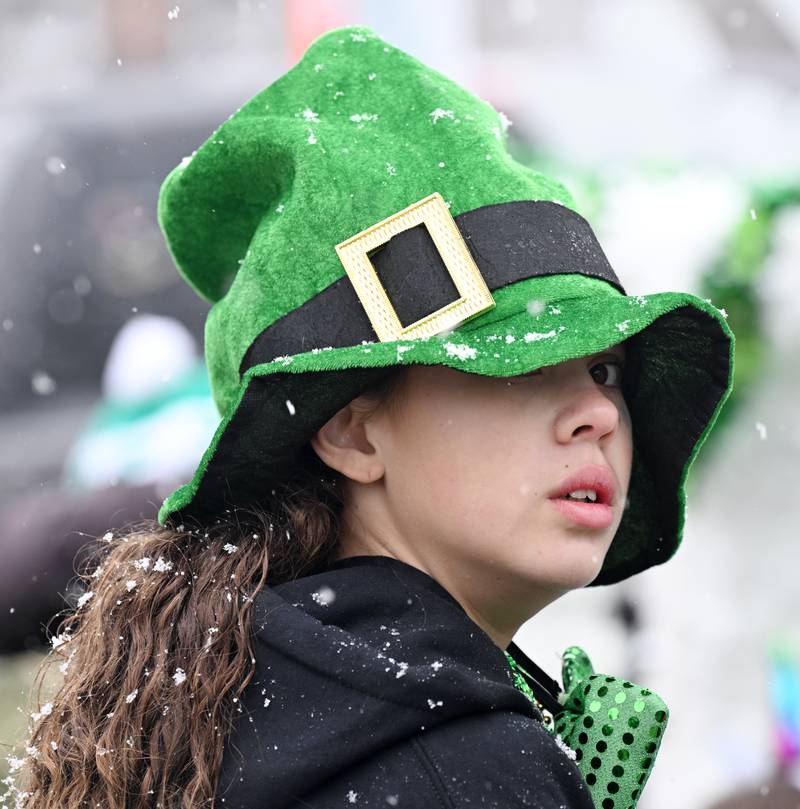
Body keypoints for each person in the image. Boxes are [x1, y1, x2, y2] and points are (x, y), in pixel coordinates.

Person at [12, 25, 735, 809]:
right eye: (519, 361)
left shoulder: (249, 703)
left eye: (604, 368)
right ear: (352, 430)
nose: (598, 411)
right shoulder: (457, 770)